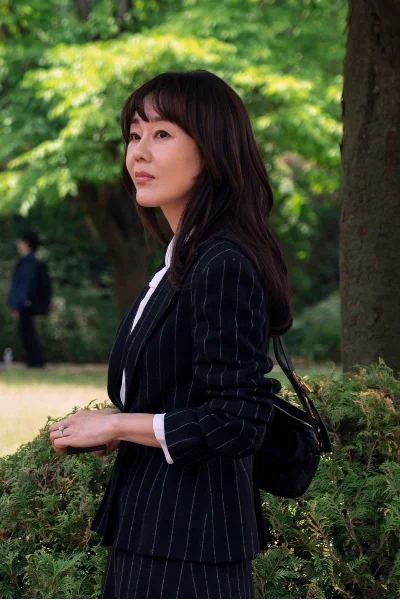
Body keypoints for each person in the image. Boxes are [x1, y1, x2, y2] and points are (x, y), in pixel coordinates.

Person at [49, 70, 293, 600]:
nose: (139, 152)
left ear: (212, 149)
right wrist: (119, 429)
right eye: (134, 135)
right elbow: (183, 398)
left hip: (189, 551)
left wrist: (118, 423)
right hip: (150, 532)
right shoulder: (180, 261)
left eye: (162, 134)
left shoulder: (222, 262)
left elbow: (237, 420)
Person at [7, 232, 46, 368]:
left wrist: (18, 305)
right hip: (26, 303)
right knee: (27, 332)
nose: (18, 244)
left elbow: (25, 285)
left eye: (20, 242)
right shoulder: (28, 262)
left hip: (25, 304)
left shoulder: (28, 263)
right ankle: (34, 361)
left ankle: (35, 361)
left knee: (27, 332)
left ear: (26, 243)